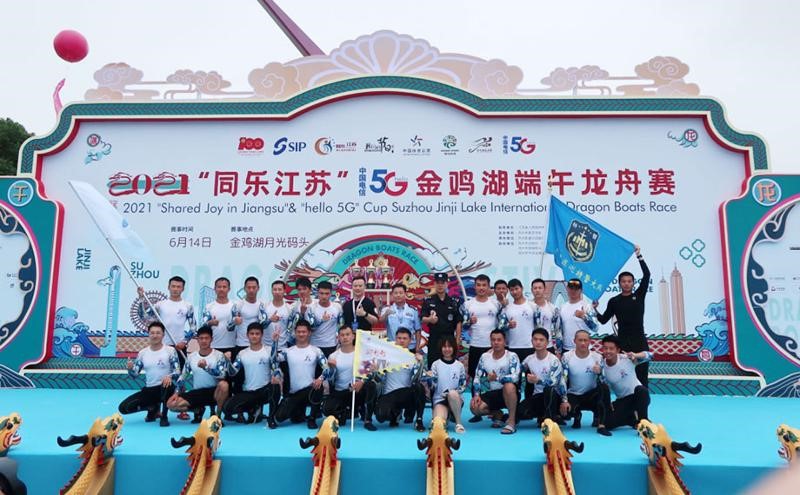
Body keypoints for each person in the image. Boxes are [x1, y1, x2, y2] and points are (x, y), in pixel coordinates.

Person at [594, 245, 652, 386]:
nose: (626, 284)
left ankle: (642, 400)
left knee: (642, 378)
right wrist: (595, 310)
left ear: (633, 283)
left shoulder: (639, 295)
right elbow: (603, 320)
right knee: (624, 378)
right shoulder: (614, 301)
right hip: (623, 343)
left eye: (629, 281)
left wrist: (639, 256)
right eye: (623, 281)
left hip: (639, 342)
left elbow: (647, 275)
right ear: (619, 283)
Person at [274, 319, 333, 429]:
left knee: (318, 388)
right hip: (294, 394)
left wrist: (320, 379)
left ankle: (312, 419)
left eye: (304, 332)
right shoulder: (288, 351)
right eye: (299, 332)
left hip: (310, 391)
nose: (301, 334)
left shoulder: (316, 351)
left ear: (309, 333)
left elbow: (327, 369)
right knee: (280, 418)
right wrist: (275, 342)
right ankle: (298, 411)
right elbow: (273, 359)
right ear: (295, 333)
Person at [119, 321, 180, 427]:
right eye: (152, 333)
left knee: (166, 384)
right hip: (150, 390)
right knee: (124, 408)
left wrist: (169, 376)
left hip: (166, 388)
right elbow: (134, 375)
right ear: (148, 334)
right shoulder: (142, 353)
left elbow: (178, 371)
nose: (155, 335)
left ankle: (164, 416)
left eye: (158, 333)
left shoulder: (170, 351)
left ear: (163, 335)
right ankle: (152, 407)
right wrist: (130, 369)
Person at [222, 323, 282, 428]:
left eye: (257, 334)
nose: (254, 336)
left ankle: (271, 418)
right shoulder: (242, 353)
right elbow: (233, 372)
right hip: (249, 392)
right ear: (247, 335)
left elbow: (275, 364)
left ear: (262, 335)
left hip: (265, 390)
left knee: (275, 386)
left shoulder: (268, 350)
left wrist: (275, 342)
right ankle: (253, 408)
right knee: (227, 408)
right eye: (252, 334)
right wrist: (228, 361)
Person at [167, 326, 229, 423]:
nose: (204, 341)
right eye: (201, 338)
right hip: (198, 392)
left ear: (211, 339)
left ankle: (217, 416)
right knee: (170, 404)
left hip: (214, 392)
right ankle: (198, 410)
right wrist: (176, 393)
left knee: (224, 385)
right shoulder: (191, 357)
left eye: (206, 338)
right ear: (197, 340)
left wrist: (206, 368)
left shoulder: (219, 355)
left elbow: (222, 375)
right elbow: (183, 376)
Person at [323, 326, 378, 431]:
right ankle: (343, 412)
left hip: (356, 390)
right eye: (342, 335)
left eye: (348, 334)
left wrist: (362, 381)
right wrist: (331, 369)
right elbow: (330, 381)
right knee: (327, 409)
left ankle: (368, 420)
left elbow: (369, 373)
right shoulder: (333, 356)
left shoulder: (362, 354)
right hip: (340, 391)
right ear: (338, 338)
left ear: (353, 336)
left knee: (371, 386)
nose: (345, 337)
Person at [595, 335, 652, 436]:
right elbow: (603, 387)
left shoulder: (627, 359)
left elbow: (650, 355)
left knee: (641, 390)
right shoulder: (602, 366)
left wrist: (636, 355)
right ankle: (631, 419)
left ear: (618, 350)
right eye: (605, 348)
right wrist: (598, 373)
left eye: (611, 348)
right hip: (623, 400)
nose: (608, 351)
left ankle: (643, 423)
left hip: (638, 397)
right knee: (608, 423)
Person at [469, 330, 520, 434]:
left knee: (509, 386)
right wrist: (477, 395)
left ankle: (511, 422)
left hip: (509, 393)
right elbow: (477, 377)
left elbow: (515, 377)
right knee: (474, 407)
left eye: (499, 340)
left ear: (504, 341)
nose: (496, 342)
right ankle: (498, 414)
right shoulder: (484, 357)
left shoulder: (512, 356)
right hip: (493, 393)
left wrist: (496, 378)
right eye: (493, 340)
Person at [374, 328, 425, 432]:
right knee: (381, 417)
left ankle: (418, 420)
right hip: (389, 394)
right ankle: (395, 413)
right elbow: (378, 378)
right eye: (399, 338)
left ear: (410, 340)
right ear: (395, 339)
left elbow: (418, 379)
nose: (401, 341)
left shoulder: (414, 358)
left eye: (405, 338)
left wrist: (421, 364)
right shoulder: (386, 357)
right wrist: (375, 370)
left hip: (406, 394)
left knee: (419, 387)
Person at [137, 276, 196, 363]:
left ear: (183, 289)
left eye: (178, 287)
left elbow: (193, 328)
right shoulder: (160, 305)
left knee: (179, 371)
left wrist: (184, 342)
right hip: (162, 347)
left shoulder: (188, 306)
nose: (175, 289)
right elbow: (143, 316)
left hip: (179, 347)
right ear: (168, 287)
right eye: (173, 286)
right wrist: (141, 298)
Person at [230, 276, 267, 399]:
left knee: (258, 378)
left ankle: (257, 406)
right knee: (239, 379)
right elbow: (229, 327)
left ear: (258, 288)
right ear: (244, 288)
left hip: (257, 346)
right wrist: (234, 322)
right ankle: (238, 405)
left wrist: (270, 320)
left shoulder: (261, 305)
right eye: (249, 287)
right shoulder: (238, 305)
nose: (251, 290)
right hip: (241, 345)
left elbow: (264, 325)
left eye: (253, 287)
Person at [518, 328, 564, 425]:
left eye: (541, 340)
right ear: (531, 341)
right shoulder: (529, 359)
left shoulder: (553, 360)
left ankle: (550, 420)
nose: (538, 342)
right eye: (535, 339)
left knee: (549, 390)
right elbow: (517, 372)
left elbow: (554, 382)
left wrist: (538, 380)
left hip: (554, 397)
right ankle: (542, 415)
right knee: (520, 412)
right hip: (538, 396)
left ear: (547, 342)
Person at [560, 330, 603, 429]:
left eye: (585, 340)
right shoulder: (567, 357)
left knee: (602, 389)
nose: (583, 343)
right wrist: (564, 400)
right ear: (574, 341)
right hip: (573, 394)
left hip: (591, 395)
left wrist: (600, 372)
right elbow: (563, 380)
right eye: (580, 340)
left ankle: (598, 416)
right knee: (565, 413)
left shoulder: (597, 357)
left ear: (589, 341)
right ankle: (577, 415)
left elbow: (604, 381)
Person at [425, 335, 467, 434]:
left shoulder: (459, 365)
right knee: (437, 424)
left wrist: (449, 393)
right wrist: (430, 378)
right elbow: (433, 386)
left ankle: (458, 423)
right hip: (439, 399)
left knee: (452, 394)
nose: (447, 349)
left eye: (449, 346)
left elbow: (463, 386)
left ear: (454, 348)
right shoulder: (435, 364)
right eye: (444, 347)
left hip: (455, 398)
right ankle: (445, 417)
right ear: (441, 348)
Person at [421, 273, 462, 368]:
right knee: (433, 367)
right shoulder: (428, 301)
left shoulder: (454, 302)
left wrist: (457, 340)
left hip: (449, 339)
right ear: (434, 284)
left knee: (450, 367)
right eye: (438, 283)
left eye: (442, 283)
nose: (440, 285)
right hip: (434, 339)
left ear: (446, 284)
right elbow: (422, 318)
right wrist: (429, 319)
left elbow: (458, 322)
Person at [558, 279, 597, 354]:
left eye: (576, 289)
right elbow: (560, 330)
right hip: (566, 349)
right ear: (567, 289)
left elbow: (595, 328)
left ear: (581, 290)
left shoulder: (587, 306)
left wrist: (584, 317)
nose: (573, 291)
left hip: (584, 348)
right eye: (571, 288)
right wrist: (559, 350)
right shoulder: (562, 307)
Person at [503, 279, 536, 363]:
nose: (514, 292)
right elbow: (500, 327)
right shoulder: (506, 308)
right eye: (512, 290)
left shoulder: (533, 306)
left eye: (516, 289)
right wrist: (508, 325)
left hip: (530, 346)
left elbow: (539, 326)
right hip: (512, 347)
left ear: (522, 288)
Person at [380, 283, 421, 350]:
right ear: (392, 295)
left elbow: (418, 330)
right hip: (393, 347)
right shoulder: (387, 309)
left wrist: (417, 348)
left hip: (410, 347)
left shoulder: (413, 310)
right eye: (396, 293)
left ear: (405, 294)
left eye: (401, 293)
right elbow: (380, 321)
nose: (398, 295)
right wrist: (386, 314)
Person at [201, 277, 236, 354]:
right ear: (215, 289)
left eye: (224, 287)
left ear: (229, 289)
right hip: (214, 346)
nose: (221, 289)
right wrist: (210, 323)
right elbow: (203, 325)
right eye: (219, 287)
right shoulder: (209, 307)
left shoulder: (235, 306)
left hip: (232, 345)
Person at [309, 281, 344, 357]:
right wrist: (321, 321)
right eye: (321, 293)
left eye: (327, 293)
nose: (324, 296)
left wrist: (341, 341)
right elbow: (310, 328)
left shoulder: (337, 307)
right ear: (317, 293)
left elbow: (341, 325)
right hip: (315, 345)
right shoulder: (311, 308)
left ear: (331, 293)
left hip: (331, 345)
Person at [530, 278, 562, 353]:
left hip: (548, 346)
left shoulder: (553, 308)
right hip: (531, 346)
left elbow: (557, 330)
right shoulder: (528, 307)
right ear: (531, 290)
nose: (537, 290)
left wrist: (558, 350)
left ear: (544, 289)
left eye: (540, 288)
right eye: (535, 288)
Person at [264, 280, 292, 350]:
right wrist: (270, 320)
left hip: (283, 347)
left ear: (284, 291)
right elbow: (260, 325)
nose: (277, 292)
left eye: (280, 289)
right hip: (266, 347)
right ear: (271, 291)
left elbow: (290, 328)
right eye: (275, 289)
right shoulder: (265, 307)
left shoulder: (289, 308)